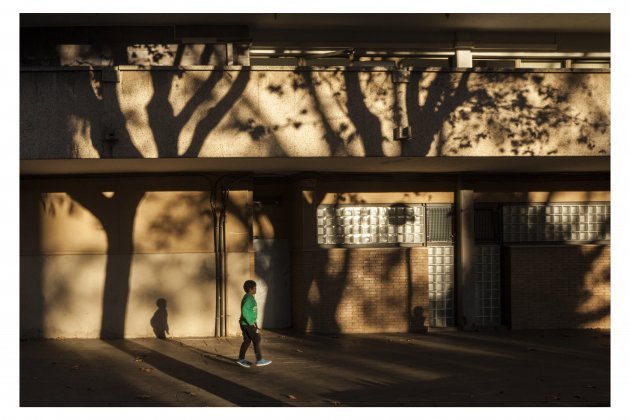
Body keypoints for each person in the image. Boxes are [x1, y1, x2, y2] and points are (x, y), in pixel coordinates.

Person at [236, 280, 272, 367]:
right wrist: (251, 322)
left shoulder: (248, 297)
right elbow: (244, 310)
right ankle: (259, 360)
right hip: (248, 324)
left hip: (245, 323)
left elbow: (251, 311)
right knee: (257, 339)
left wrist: (255, 322)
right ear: (250, 289)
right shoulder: (249, 298)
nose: (256, 289)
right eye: (255, 287)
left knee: (247, 341)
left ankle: (241, 359)